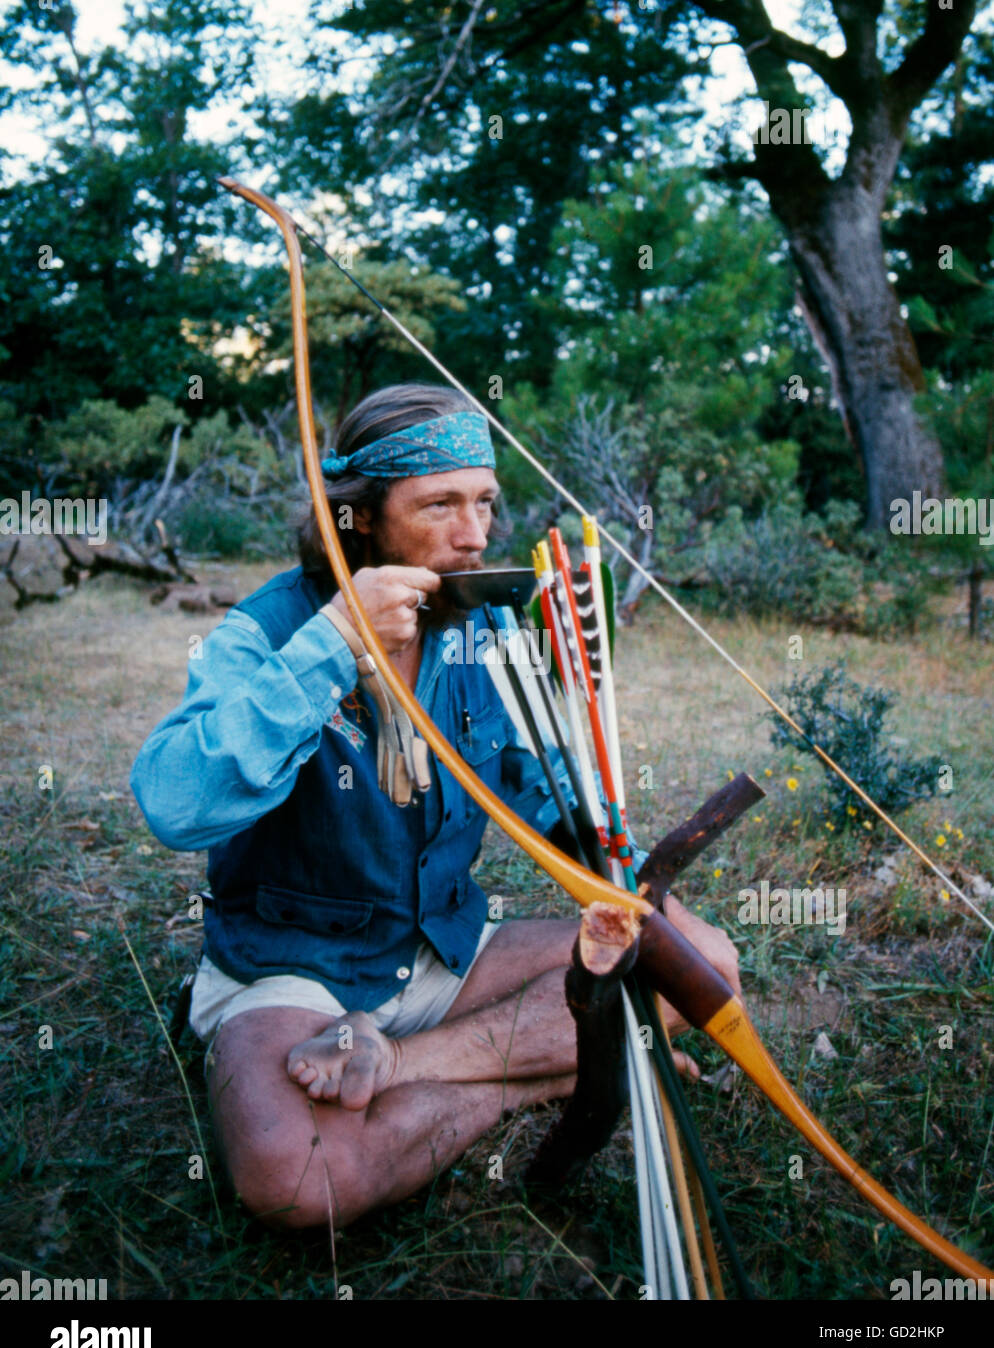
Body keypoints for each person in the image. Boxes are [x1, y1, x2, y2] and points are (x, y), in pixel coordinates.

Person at [131, 382, 741, 1230]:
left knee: (703, 964)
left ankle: (412, 1066)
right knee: (294, 1177)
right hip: (292, 970)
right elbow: (171, 801)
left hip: (444, 955)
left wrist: (593, 808)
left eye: (485, 502)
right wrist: (335, 645)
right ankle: (549, 1068)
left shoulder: (477, 629)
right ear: (362, 518)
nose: (475, 534)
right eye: (440, 505)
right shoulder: (268, 633)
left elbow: (544, 796)